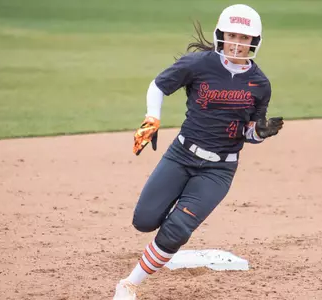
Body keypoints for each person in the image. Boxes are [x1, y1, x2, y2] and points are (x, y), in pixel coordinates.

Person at [112, 4, 284, 300]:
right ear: (221, 35)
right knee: (144, 220)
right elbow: (158, 86)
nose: (238, 44)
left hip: (219, 169)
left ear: (254, 42)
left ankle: (130, 283)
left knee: (178, 228)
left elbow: (249, 133)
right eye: (233, 36)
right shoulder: (198, 64)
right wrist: (152, 118)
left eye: (245, 38)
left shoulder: (260, 84)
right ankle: (165, 237)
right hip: (181, 155)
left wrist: (260, 132)